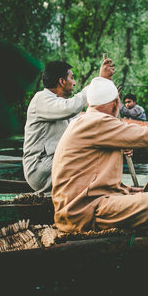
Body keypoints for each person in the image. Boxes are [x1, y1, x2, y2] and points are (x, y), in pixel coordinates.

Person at [51, 77, 148, 233]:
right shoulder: (98, 122)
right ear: (116, 104)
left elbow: (93, 175)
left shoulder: (82, 121)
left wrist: (124, 189)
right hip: (81, 213)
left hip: (74, 210)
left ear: (89, 104)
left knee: (139, 196)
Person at [23, 59, 115, 195]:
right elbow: (72, 107)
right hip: (39, 167)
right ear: (61, 82)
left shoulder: (60, 105)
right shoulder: (41, 99)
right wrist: (100, 80)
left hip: (54, 163)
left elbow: (85, 124)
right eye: (71, 78)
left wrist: (117, 140)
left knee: (98, 149)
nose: (74, 82)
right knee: (91, 156)